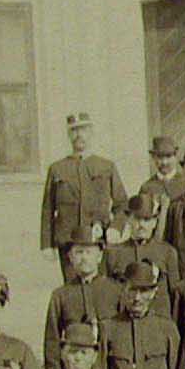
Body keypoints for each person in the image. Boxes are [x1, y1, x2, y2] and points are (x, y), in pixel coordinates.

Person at [41, 111, 127, 282]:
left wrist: (115, 227)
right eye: (74, 131)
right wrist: (46, 244)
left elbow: (122, 203)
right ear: (68, 134)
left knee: (101, 287)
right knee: (72, 290)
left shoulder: (106, 166)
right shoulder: (57, 169)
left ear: (91, 132)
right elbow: (47, 209)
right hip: (69, 243)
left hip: (98, 241)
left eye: (83, 130)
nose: (79, 135)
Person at [100, 261, 183, 369]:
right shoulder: (108, 329)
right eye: (132, 290)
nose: (137, 298)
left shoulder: (167, 328)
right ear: (123, 290)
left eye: (144, 291)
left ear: (153, 293)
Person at [43, 225, 122, 369]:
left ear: (99, 256)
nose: (84, 258)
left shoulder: (116, 291)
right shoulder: (61, 295)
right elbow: (52, 341)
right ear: (70, 257)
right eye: (79, 252)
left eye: (89, 252)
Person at [105, 192, 182, 313]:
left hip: (159, 321)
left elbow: (175, 296)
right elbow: (109, 296)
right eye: (136, 219)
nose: (141, 225)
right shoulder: (114, 254)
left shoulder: (168, 252)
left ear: (154, 222)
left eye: (146, 220)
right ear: (128, 220)